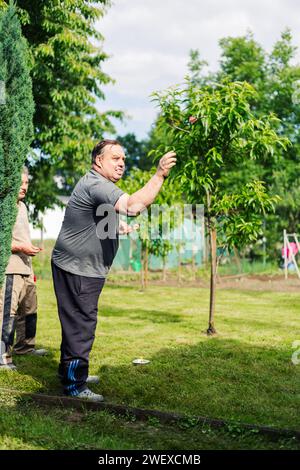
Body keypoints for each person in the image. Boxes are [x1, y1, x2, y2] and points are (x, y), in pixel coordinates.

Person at [51, 139, 176, 401]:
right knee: (81, 325)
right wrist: (159, 174)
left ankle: (72, 374)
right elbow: (132, 207)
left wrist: (117, 229)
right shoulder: (97, 184)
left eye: (123, 160)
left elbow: (91, 222)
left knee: (76, 322)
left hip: (79, 266)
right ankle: (75, 386)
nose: (121, 164)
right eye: (115, 158)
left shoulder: (97, 185)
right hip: (78, 269)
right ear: (99, 161)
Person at [0, 167, 47, 371]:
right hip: (11, 267)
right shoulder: (4, 206)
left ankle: (25, 347)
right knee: (6, 313)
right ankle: (2, 356)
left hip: (26, 267)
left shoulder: (23, 206)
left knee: (29, 310)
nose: (24, 186)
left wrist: (30, 250)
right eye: (21, 182)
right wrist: (20, 247)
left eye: (27, 183)